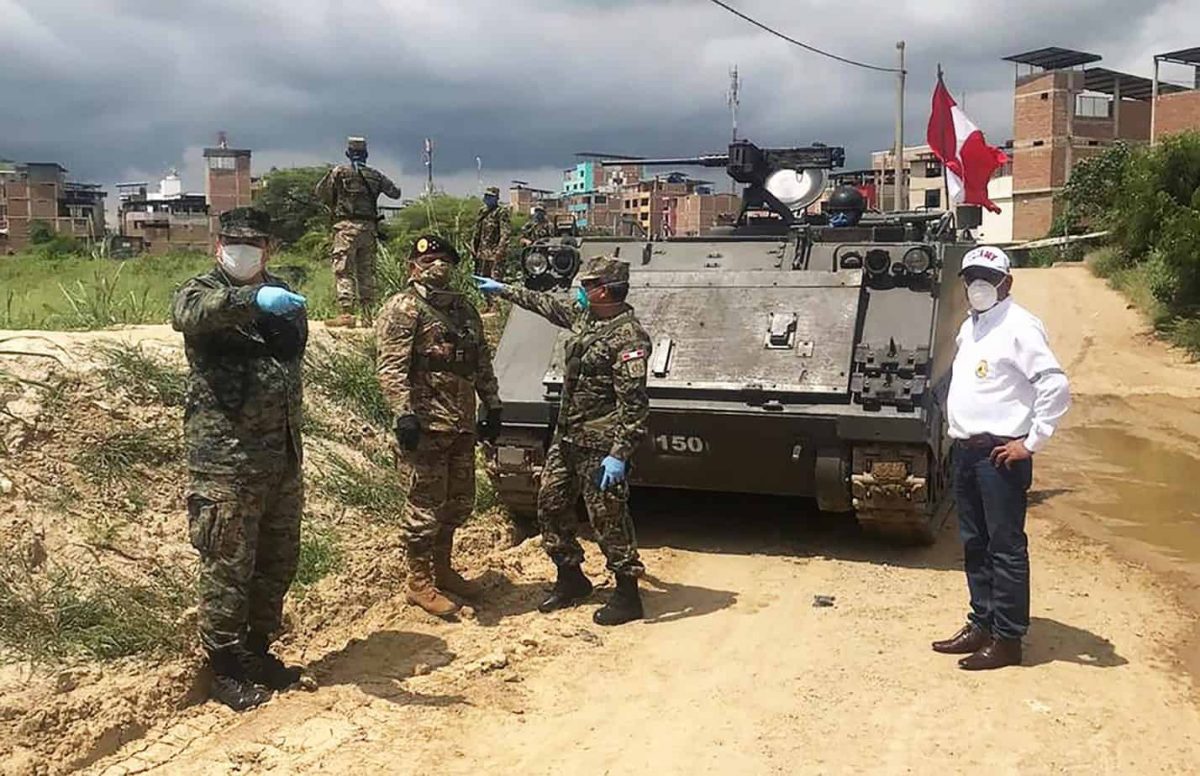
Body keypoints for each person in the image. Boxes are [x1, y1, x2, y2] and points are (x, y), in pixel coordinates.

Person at [171, 207, 309, 710]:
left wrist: (280, 315)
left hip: (281, 457)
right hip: (226, 462)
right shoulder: (201, 291)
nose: (244, 251)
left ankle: (257, 651)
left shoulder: (284, 294)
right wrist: (254, 299)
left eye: (254, 244)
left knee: (276, 562)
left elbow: (293, 350)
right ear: (219, 245)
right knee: (227, 565)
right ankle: (224, 668)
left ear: (268, 249)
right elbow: (190, 316)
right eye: (235, 243)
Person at [475, 257, 652, 625]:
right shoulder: (585, 318)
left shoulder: (628, 338)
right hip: (568, 437)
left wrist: (619, 455)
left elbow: (634, 407)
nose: (581, 292)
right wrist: (503, 290)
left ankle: (627, 594)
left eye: (587, 286)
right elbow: (545, 304)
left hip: (601, 445)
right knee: (550, 506)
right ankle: (571, 578)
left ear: (603, 290)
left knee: (608, 519)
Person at [933, 245, 1070, 670]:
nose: (978, 286)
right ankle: (982, 623)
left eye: (986, 279)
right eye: (971, 278)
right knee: (975, 544)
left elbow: (1054, 385)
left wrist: (1030, 443)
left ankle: (1008, 639)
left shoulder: (1020, 326)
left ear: (1005, 283)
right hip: (967, 451)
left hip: (1000, 456)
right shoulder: (970, 327)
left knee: (1005, 547)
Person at [376, 234, 503, 617]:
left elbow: (479, 361)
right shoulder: (403, 308)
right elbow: (390, 367)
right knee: (424, 508)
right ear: (412, 266)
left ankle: (443, 569)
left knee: (458, 502)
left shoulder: (464, 309)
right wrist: (403, 413)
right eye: (429, 260)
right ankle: (419, 581)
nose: (437, 266)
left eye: (444, 260)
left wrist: (492, 404)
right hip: (425, 425)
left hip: (461, 423)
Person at [315, 136, 402, 327]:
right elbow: (396, 193)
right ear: (366, 155)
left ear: (348, 153)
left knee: (343, 269)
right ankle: (368, 316)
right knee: (366, 271)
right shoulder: (375, 175)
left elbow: (321, 193)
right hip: (369, 229)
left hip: (345, 227)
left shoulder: (339, 172)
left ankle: (346, 313)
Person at [471, 186, 511, 284]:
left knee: (494, 283)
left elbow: (505, 234)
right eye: (486, 196)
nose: (487, 198)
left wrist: (499, 252)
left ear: (496, 198)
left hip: (494, 255)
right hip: (481, 254)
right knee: (480, 281)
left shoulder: (501, 212)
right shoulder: (482, 211)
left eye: (490, 196)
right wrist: (473, 247)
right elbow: (477, 231)